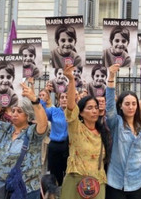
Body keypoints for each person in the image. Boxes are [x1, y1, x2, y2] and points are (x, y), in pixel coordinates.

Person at [0, 78, 49, 199]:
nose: (14, 113)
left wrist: (35, 101)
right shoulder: (2, 128)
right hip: (0, 189)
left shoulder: (32, 133)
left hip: (26, 190)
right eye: (13, 110)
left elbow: (43, 124)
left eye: (19, 111)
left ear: (28, 115)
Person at [105, 64, 141, 199]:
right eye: (127, 104)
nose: (131, 107)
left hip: (137, 184)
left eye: (134, 104)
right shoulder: (116, 123)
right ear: (121, 106)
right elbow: (110, 107)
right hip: (115, 183)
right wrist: (111, 77)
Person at [60, 65, 112, 199]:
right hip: (75, 181)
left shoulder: (103, 131)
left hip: (97, 183)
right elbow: (71, 106)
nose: (94, 111)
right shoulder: (76, 128)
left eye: (96, 107)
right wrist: (71, 80)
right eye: (89, 108)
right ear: (81, 112)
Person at [42, 92, 69, 186]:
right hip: (55, 146)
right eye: (62, 97)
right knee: (55, 175)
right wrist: (44, 98)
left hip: (69, 146)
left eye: (67, 97)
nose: (64, 99)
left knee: (69, 173)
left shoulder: (75, 113)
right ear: (59, 100)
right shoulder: (54, 111)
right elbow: (42, 111)